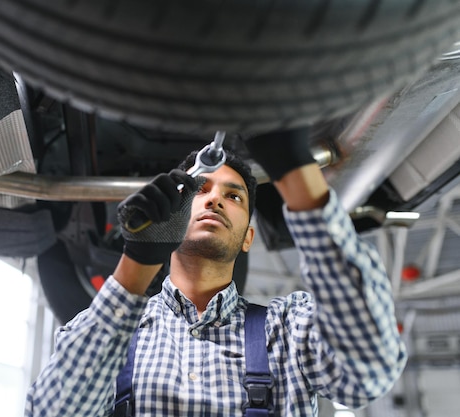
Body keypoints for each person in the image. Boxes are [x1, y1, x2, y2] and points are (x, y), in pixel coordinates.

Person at [26, 128, 407, 417]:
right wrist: (136, 263)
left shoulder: (289, 329)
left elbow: (367, 372)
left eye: (234, 196)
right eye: (201, 189)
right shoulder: (108, 336)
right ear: (173, 216)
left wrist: (296, 172)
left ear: (248, 238)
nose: (214, 199)